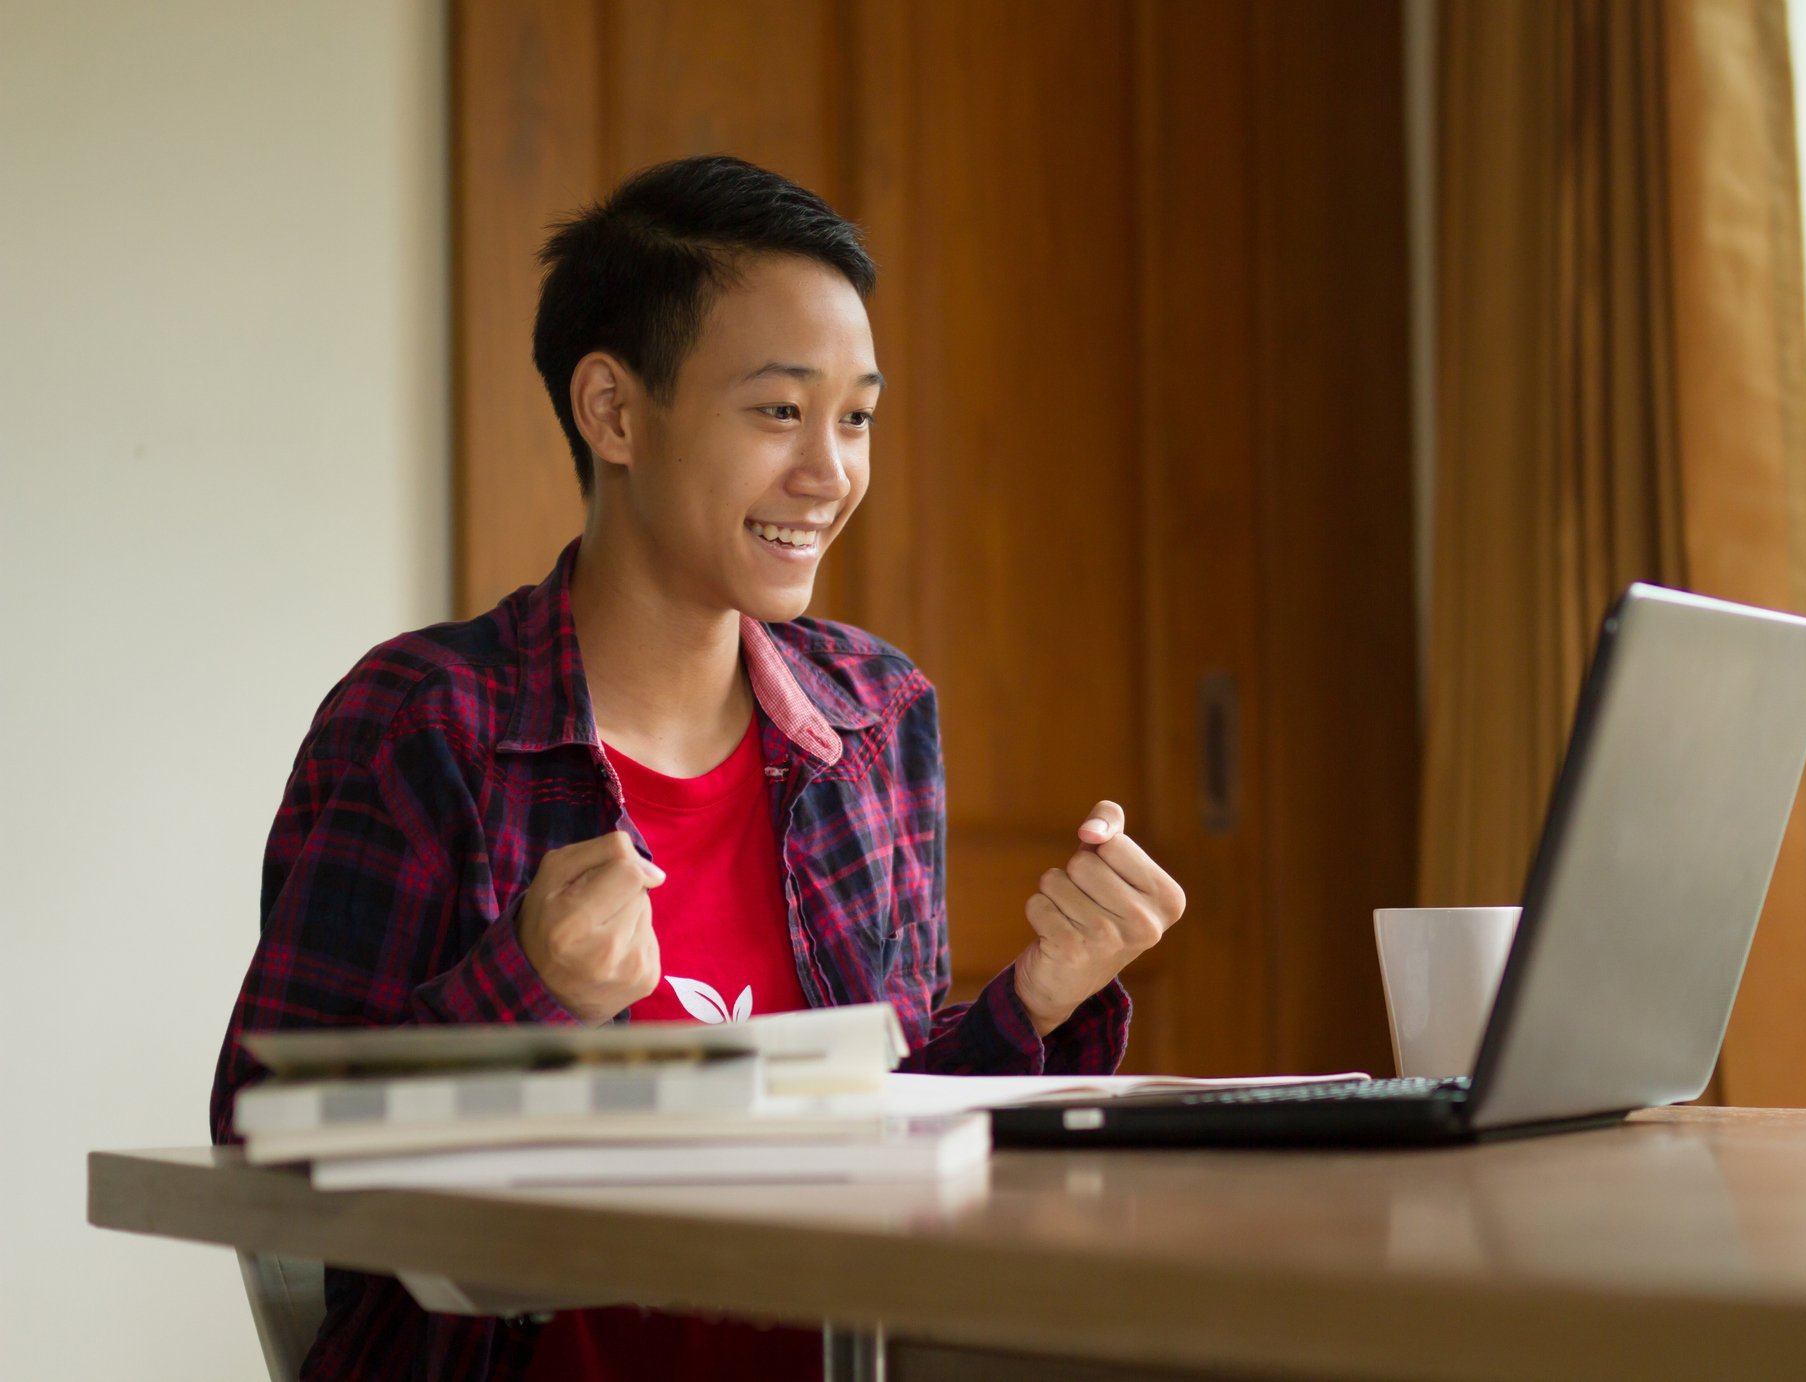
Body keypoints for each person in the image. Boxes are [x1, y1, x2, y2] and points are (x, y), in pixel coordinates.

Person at [208, 155, 1187, 1382]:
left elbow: (879, 1135)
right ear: (613, 412)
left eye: (858, 415)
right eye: (780, 411)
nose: (831, 472)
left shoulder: (875, 716)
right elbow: (258, 1153)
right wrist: (530, 987)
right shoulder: (425, 726)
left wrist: (1040, 997)